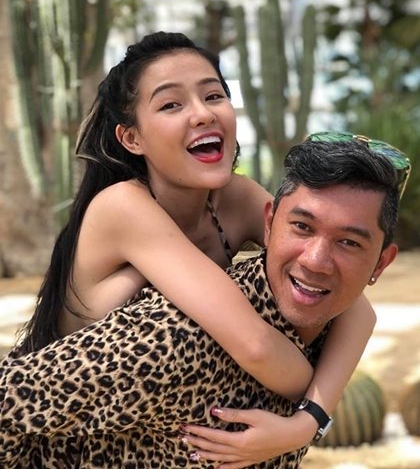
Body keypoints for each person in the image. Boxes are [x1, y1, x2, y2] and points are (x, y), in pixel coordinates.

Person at [0, 134, 409, 468]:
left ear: (381, 263)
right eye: (302, 227)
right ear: (269, 223)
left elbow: (362, 314)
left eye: (349, 242)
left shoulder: (333, 324)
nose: (316, 261)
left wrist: (307, 423)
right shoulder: (172, 340)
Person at [14, 31, 372, 405]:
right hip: (68, 425)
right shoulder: (122, 207)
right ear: (132, 139)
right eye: (171, 105)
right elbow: (255, 346)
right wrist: (312, 414)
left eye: (213, 96)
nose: (203, 114)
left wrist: (310, 418)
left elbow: (354, 306)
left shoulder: (237, 197)